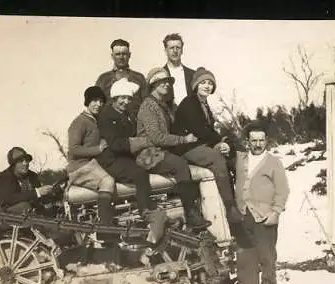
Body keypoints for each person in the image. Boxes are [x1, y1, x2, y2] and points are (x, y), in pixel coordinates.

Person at [97, 77, 209, 231]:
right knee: (147, 172)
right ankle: (152, 213)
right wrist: (144, 142)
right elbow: (117, 144)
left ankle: (182, 212)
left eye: (128, 98)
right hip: (116, 158)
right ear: (114, 98)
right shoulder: (108, 116)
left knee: (173, 164)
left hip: (131, 154)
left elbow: (135, 136)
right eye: (122, 98)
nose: (126, 102)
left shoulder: (128, 113)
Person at [136, 67, 211, 231]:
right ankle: (191, 216)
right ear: (153, 85)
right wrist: (184, 139)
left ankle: (193, 211)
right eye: (161, 82)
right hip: (150, 154)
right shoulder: (148, 107)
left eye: (168, 82)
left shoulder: (164, 105)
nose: (166, 85)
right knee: (180, 165)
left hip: (162, 151)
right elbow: (156, 137)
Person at [171, 67, 243, 225]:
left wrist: (224, 143)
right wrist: (219, 143)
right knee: (217, 157)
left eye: (210, 83)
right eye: (202, 82)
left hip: (201, 144)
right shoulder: (190, 103)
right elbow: (199, 130)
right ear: (196, 85)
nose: (207, 86)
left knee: (232, 155)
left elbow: (208, 131)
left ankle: (240, 200)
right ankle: (230, 207)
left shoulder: (204, 104)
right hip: (186, 148)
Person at [234, 121, 290, 284]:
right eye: (253, 140)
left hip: (265, 218)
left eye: (261, 140)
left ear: (266, 141)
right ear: (247, 142)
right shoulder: (240, 159)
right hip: (244, 217)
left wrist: (276, 212)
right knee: (246, 261)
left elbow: (283, 190)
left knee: (267, 259)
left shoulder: (274, 162)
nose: (257, 144)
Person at [67, 86, 117, 240]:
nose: (98, 104)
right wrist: (98, 149)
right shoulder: (80, 122)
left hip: (91, 164)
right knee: (108, 181)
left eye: (101, 101)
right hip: (79, 167)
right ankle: (104, 228)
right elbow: (73, 149)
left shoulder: (93, 120)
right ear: (87, 102)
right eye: (94, 101)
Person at [0, 147, 56, 214]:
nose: (25, 163)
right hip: (4, 215)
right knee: (25, 206)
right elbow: (9, 199)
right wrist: (37, 192)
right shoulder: (5, 177)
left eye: (27, 160)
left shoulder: (32, 175)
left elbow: (39, 197)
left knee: (50, 207)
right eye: (21, 161)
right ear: (13, 165)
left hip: (29, 213)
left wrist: (49, 193)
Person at [95, 39, 148, 116]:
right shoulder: (103, 79)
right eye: (117, 54)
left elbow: (146, 104)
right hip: (110, 123)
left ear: (129, 55)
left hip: (134, 123)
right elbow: (96, 104)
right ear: (112, 56)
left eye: (124, 54)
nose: (121, 57)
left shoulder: (139, 78)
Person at [161, 33, 196, 109]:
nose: (175, 51)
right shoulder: (160, 75)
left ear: (182, 50)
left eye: (178, 47)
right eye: (171, 48)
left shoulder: (193, 74)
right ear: (165, 51)